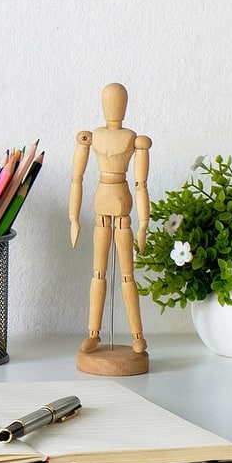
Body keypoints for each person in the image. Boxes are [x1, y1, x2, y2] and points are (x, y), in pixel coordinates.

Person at [69, 83, 151, 358]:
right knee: (98, 273)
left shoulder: (133, 139)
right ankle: (93, 333)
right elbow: (76, 179)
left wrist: (143, 223)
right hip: (102, 203)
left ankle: (137, 335)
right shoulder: (92, 136)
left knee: (127, 275)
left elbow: (141, 184)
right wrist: (74, 218)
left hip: (123, 203)